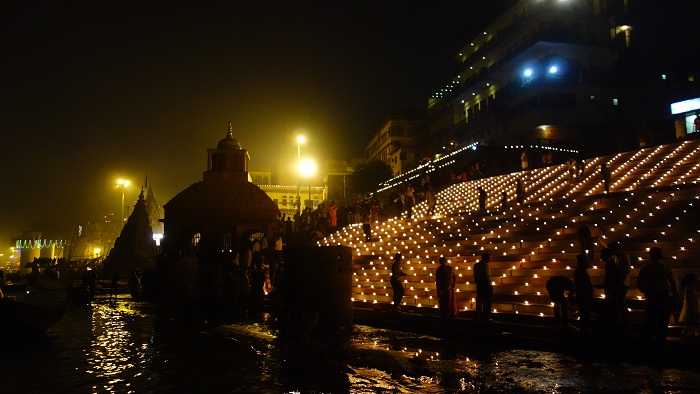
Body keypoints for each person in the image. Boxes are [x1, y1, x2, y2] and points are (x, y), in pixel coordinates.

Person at [637, 247, 678, 344]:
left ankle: (651, 339)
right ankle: (659, 339)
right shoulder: (663, 266)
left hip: (654, 294)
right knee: (661, 319)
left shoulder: (647, 267)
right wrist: (674, 293)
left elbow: (639, 281)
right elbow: (671, 281)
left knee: (652, 318)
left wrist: (644, 289)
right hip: (660, 294)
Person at [574, 254, 594, 334]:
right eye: (587, 261)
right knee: (584, 314)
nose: (588, 263)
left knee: (585, 314)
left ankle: (584, 330)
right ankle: (584, 331)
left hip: (583, 296)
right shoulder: (579, 272)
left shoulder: (581, 271)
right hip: (583, 297)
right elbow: (581, 285)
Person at [473, 253, 493, 321]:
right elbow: (487, 276)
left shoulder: (476, 265)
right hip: (485, 285)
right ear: (486, 258)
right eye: (489, 258)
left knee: (479, 302)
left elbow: (475, 277)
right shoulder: (485, 265)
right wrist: (490, 285)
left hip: (479, 285)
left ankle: (478, 317)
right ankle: (486, 317)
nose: (490, 259)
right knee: (486, 303)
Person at [679, 273, 698, 337]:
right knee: (690, 325)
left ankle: (687, 335)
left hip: (691, 308)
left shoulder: (689, 288)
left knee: (689, 325)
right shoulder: (690, 288)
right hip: (691, 309)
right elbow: (691, 300)